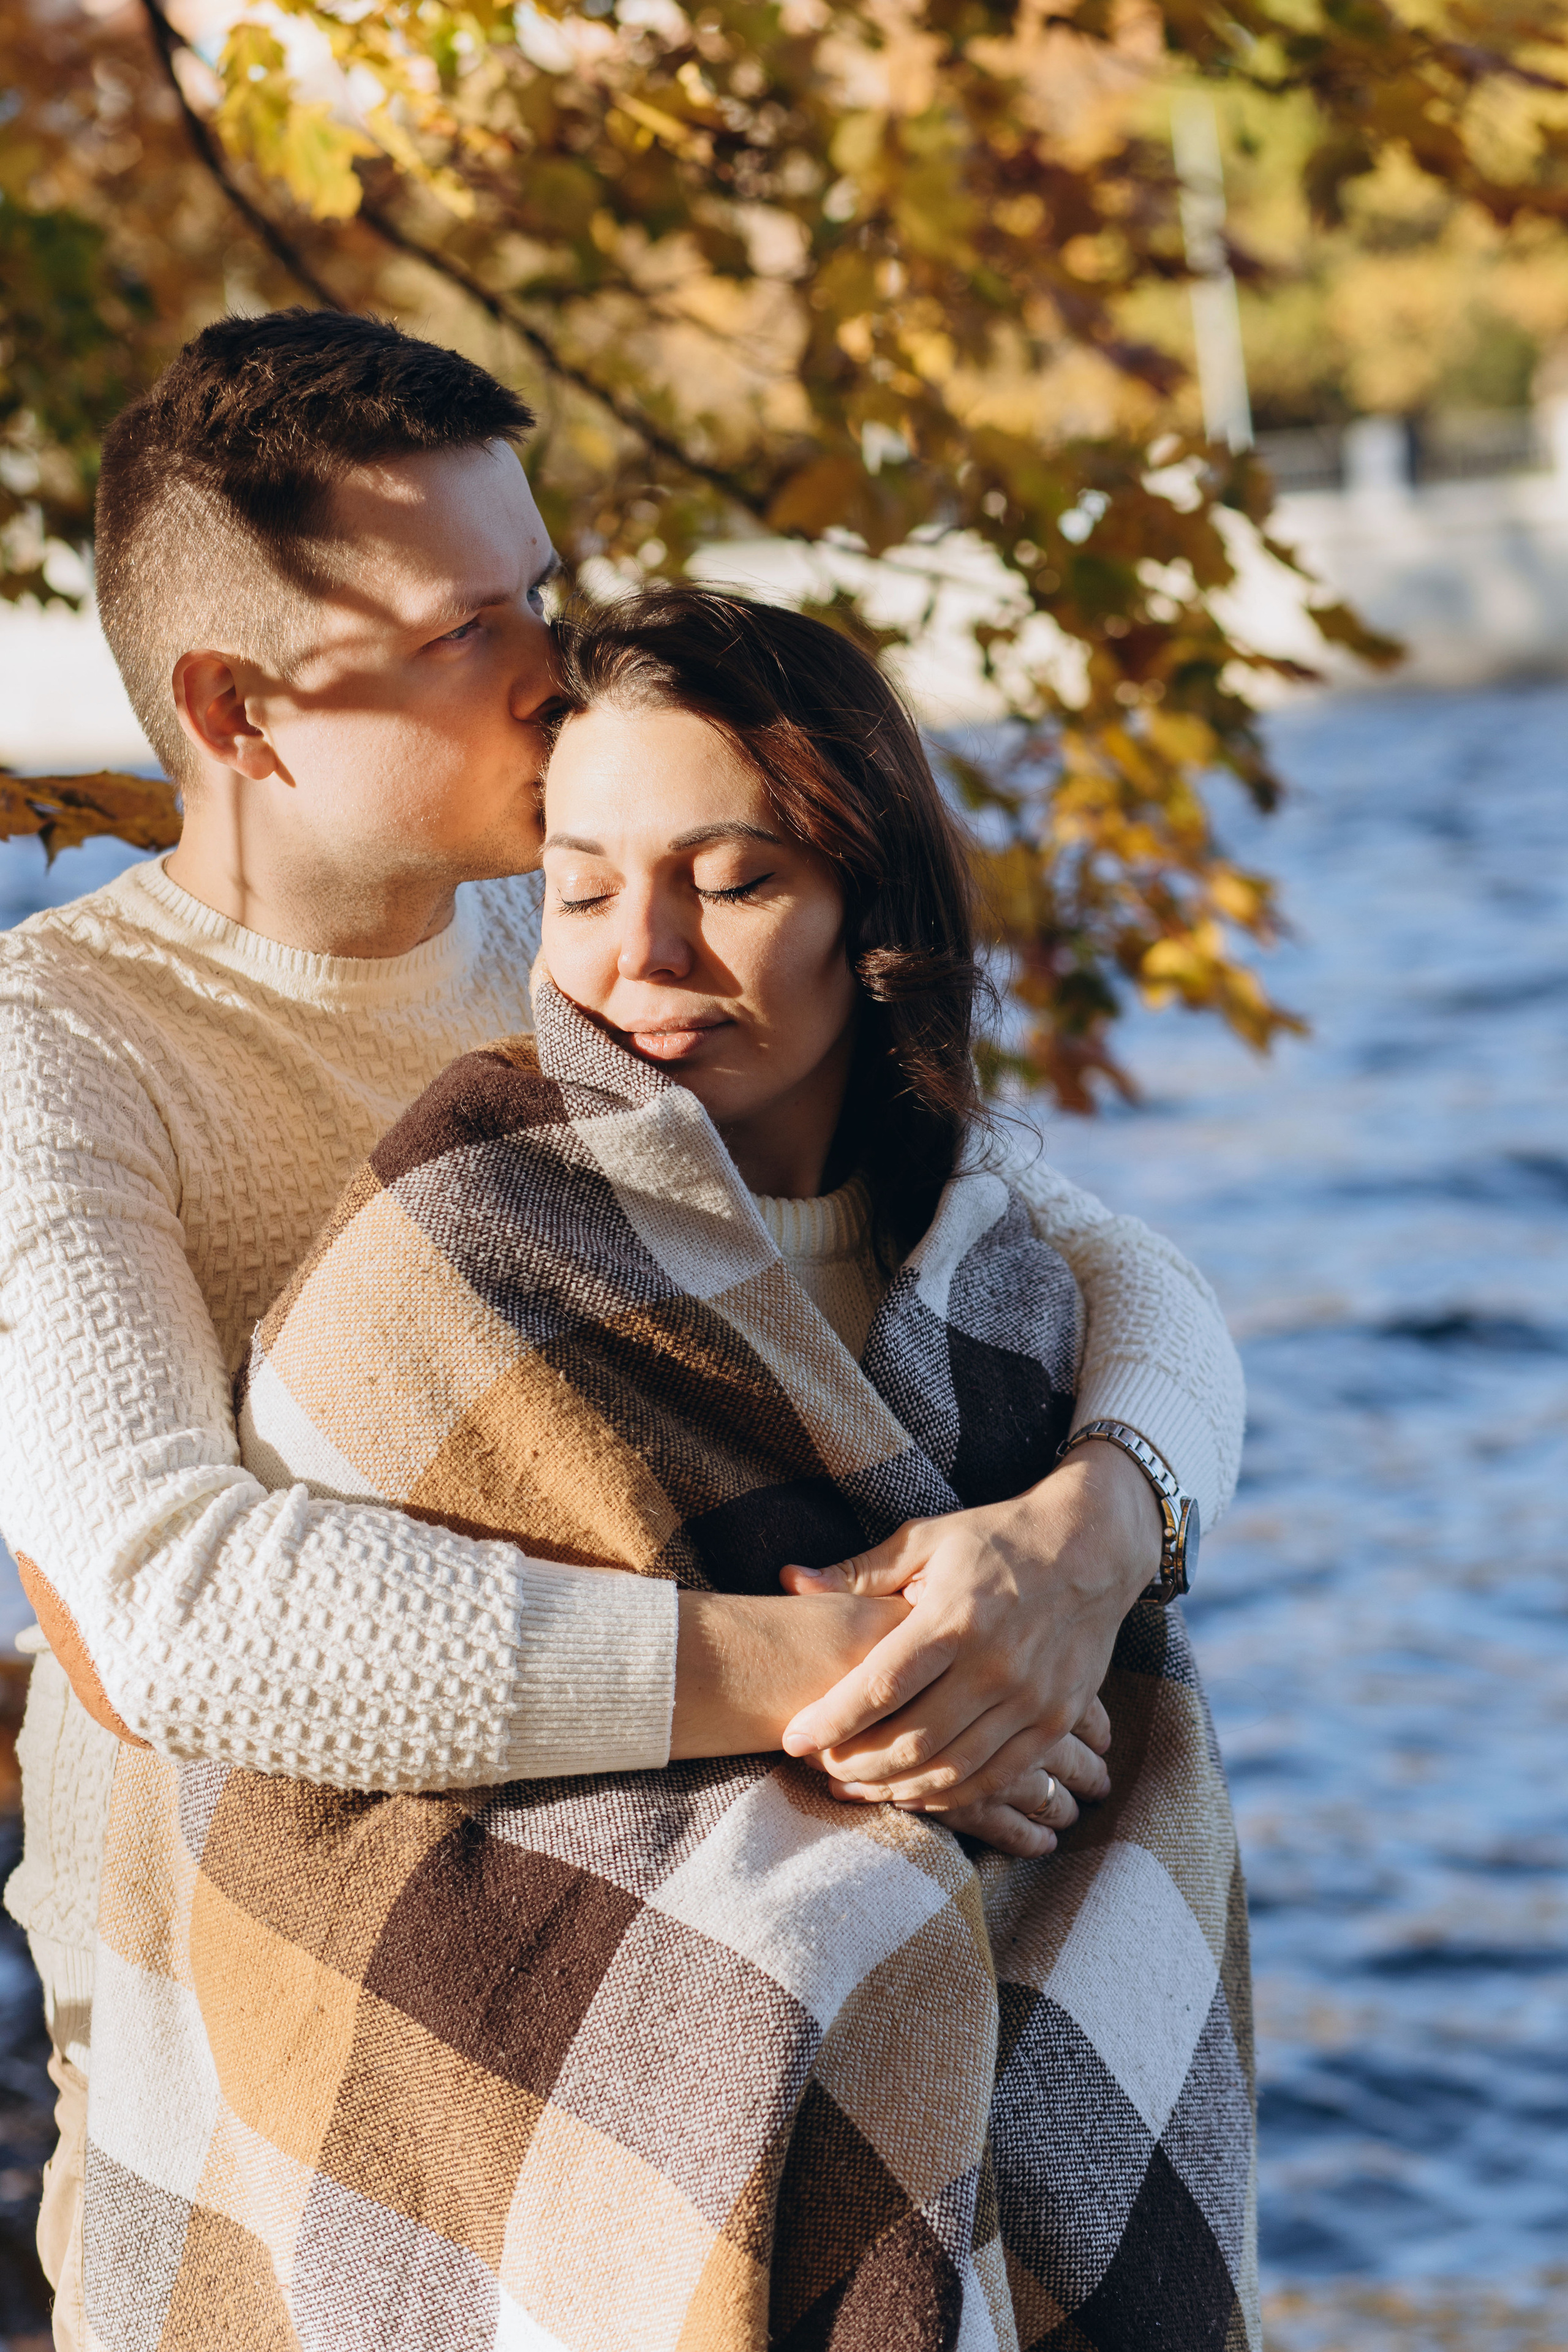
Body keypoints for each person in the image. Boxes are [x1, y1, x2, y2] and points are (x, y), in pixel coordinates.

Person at [0, 312, 1244, 2345]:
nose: (554, 670)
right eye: (467, 629)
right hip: (256, 2026)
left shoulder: (585, 938)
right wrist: (880, 1675)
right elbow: (170, 1608)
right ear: (240, 707)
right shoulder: (58, 1050)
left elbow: (1101, 1258)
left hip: (696, 1948)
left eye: (546, 591)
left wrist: (1091, 1540)